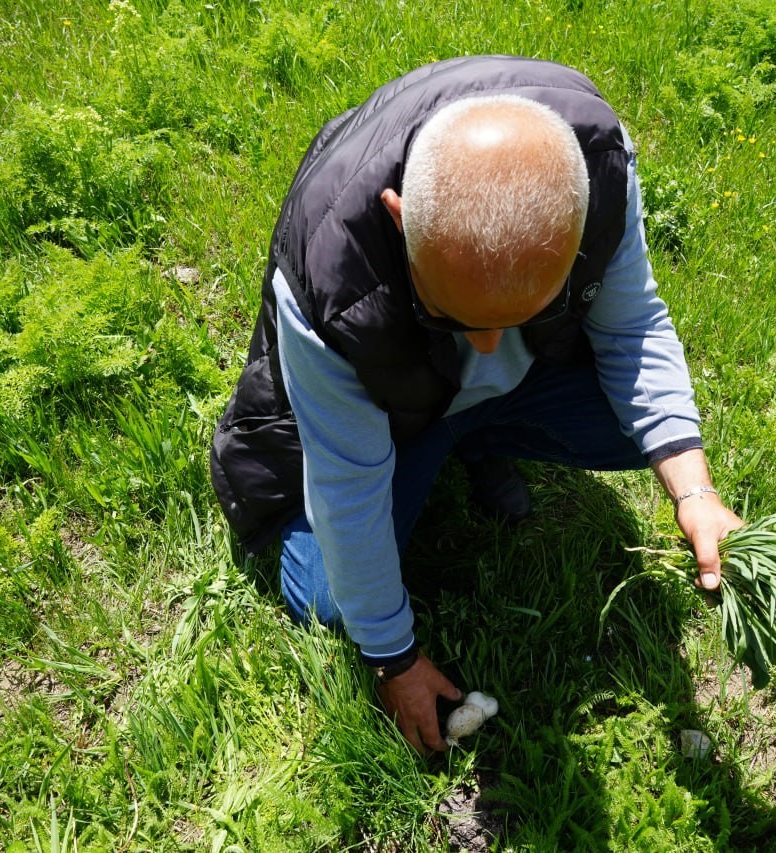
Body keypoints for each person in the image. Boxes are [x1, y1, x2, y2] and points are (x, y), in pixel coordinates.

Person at [211, 55, 743, 752]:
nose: (490, 348)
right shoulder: (333, 276)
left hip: (446, 389)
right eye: (455, 316)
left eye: (521, 315)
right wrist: (392, 655)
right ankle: (450, 439)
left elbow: (632, 328)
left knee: (645, 431)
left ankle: (475, 434)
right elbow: (345, 480)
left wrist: (695, 490)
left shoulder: (596, 177)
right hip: (386, 417)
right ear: (401, 222)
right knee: (326, 598)